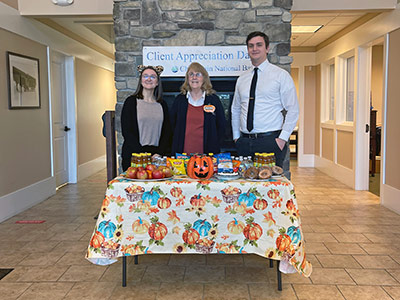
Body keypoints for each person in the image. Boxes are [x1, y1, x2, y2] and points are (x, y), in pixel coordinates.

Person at [231, 31, 299, 168]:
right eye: (251, 46)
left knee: (270, 186)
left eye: (259, 45)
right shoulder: (242, 79)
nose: (254, 49)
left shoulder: (280, 76)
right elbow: (236, 109)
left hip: (270, 142)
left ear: (267, 48)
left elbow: (293, 109)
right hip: (244, 142)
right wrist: (236, 137)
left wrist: (282, 139)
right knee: (245, 185)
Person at [121, 65, 171, 171]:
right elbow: (127, 131)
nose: (149, 79)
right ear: (141, 80)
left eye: (153, 77)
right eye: (145, 76)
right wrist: (142, 155)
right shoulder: (131, 102)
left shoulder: (162, 104)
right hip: (135, 156)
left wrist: (159, 153)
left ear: (157, 82)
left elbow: (167, 131)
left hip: (156, 156)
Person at [171, 62, 226, 154]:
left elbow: (221, 126)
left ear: (204, 78)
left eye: (198, 74)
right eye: (191, 74)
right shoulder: (180, 100)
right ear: (187, 78)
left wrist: (214, 144)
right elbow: (172, 125)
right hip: (182, 154)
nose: (194, 77)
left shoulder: (213, 100)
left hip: (208, 154)